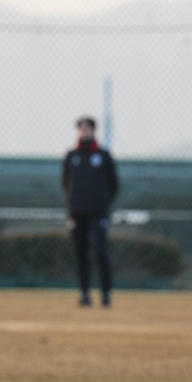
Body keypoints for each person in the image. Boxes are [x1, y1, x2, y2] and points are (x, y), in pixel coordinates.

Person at [62, 116, 118, 307]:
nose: (84, 132)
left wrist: (103, 204)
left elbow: (114, 184)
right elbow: (66, 183)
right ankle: (84, 293)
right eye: (81, 129)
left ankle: (105, 293)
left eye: (87, 129)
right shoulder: (71, 156)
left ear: (93, 131)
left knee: (101, 252)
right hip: (77, 213)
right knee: (81, 254)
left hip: (98, 212)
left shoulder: (103, 156)